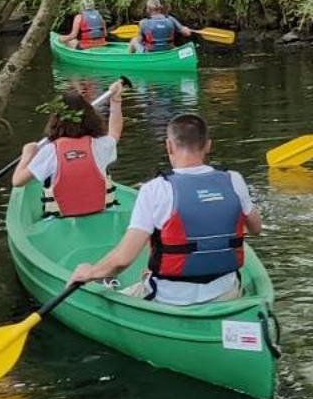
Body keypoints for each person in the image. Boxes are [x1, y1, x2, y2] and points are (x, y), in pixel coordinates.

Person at [69, 112, 261, 303]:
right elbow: (256, 228)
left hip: (168, 297)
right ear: (208, 145)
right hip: (225, 294)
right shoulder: (234, 180)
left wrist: (91, 272)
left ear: (169, 145)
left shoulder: (155, 189)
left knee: (104, 298)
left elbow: (123, 259)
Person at [11, 86, 123, 218]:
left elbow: (17, 181)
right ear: (90, 117)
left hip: (60, 219)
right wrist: (115, 101)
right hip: (102, 213)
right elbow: (115, 132)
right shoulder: (99, 145)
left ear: (55, 120)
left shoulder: (50, 151)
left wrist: (27, 154)